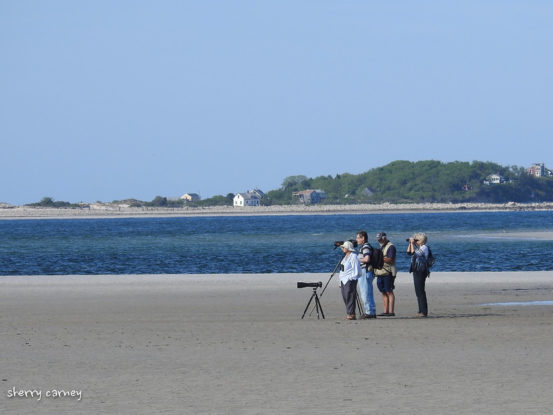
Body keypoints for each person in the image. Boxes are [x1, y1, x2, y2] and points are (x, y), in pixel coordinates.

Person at [407, 232, 429, 317]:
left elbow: (415, 254)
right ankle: (420, 311)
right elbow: (409, 253)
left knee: (420, 291)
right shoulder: (419, 247)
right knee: (418, 291)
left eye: (416, 240)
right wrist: (410, 244)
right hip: (416, 270)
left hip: (421, 271)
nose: (415, 241)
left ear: (421, 240)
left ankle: (423, 312)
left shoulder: (424, 247)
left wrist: (412, 243)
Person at [374, 232, 396, 316]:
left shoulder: (391, 247)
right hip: (380, 272)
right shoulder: (381, 247)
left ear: (384, 238)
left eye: (380, 239)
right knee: (383, 291)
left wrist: (379, 258)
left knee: (389, 291)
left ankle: (391, 312)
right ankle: (385, 311)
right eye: (378, 239)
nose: (379, 240)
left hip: (388, 272)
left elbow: (391, 259)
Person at [355, 231, 376, 319]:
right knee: (368, 292)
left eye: (358, 238)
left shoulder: (366, 247)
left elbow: (367, 259)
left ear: (363, 238)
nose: (356, 240)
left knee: (365, 293)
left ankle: (369, 312)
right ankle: (371, 311)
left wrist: (356, 260)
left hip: (365, 271)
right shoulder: (365, 247)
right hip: (366, 272)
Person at [338, 241, 361, 320]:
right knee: (345, 296)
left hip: (350, 279)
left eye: (344, 247)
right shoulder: (345, 257)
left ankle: (351, 314)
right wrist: (340, 281)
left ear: (348, 248)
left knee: (350, 296)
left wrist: (352, 279)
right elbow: (342, 270)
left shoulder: (354, 256)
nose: (343, 248)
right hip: (343, 280)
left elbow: (356, 269)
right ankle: (349, 312)